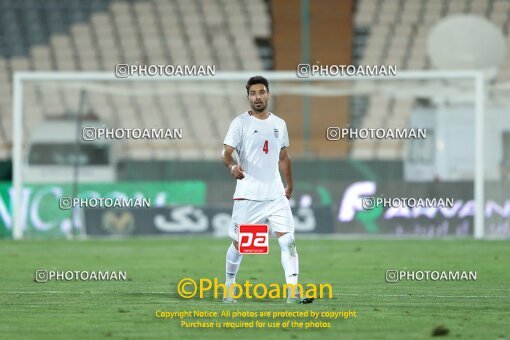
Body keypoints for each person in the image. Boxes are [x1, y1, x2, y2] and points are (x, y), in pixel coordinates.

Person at [221, 75, 313, 304]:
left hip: (275, 195)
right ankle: (229, 286)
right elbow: (225, 152)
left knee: (288, 241)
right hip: (248, 196)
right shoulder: (240, 123)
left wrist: (289, 184)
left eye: (261, 92)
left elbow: (283, 156)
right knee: (240, 245)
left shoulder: (279, 124)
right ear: (248, 97)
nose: (257, 97)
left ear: (268, 94)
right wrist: (232, 166)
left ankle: (293, 291)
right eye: (253, 93)